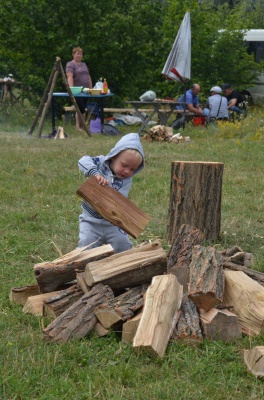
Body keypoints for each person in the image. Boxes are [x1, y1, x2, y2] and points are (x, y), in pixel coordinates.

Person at [77, 133, 145, 253]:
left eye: (133, 169)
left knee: (122, 245)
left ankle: (121, 267)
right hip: (90, 221)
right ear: (114, 156)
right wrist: (95, 174)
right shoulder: (100, 163)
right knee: (86, 245)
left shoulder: (126, 180)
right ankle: (82, 269)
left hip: (113, 223)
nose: (127, 171)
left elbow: (119, 202)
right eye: (124, 165)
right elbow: (82, 161)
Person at [66, 47, 93, 131]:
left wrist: (91, 89)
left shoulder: (84, 64)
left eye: (80, 54)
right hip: (77, 90)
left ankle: (83, 126)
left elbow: (88, 77)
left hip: (86, 90)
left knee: (83, 107)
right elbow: (69, 76)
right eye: (77, 53)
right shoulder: (70, 64)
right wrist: (71, 89)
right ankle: (78, 126)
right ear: (73, 54)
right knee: (80, 108)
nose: (79, 55)